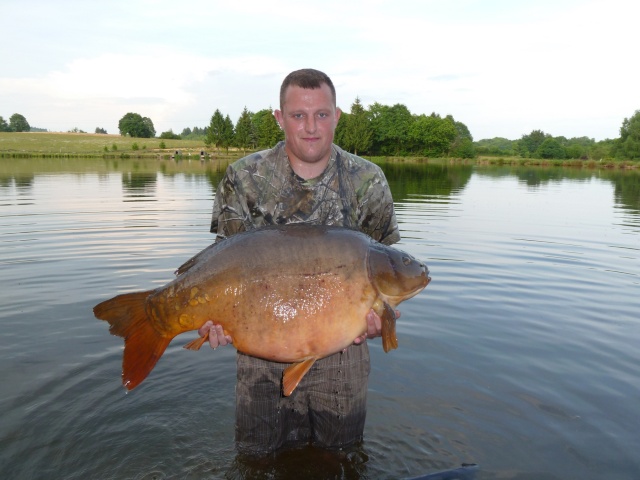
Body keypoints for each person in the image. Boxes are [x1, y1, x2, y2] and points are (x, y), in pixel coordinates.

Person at [197, 68, 401, 455]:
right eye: (298, 115)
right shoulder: (244, 177)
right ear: (279, 117)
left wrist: (382, 319)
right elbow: (221, 267)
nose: (311, 127)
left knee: (341, 458)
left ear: (337, 116)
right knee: (257, 460)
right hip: (261, 352)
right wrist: (212, 320)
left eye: (321, 114)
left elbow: (386, 272)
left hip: (344, 352)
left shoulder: (368, 180)